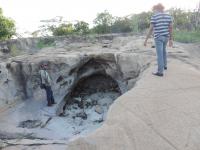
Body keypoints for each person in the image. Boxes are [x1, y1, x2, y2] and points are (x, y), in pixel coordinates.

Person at [144, 3, 173, 77]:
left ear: (156, 9)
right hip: (166, 37)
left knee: (159, 54)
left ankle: (160, 72)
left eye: (153, 10)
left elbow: (151, 29)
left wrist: (146, 40)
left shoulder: (154, 16)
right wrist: (170, 39)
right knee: (164, 51)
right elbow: (170, 28)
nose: (153, 11)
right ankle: (165, 66)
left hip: (158, 37)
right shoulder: (168, 16)